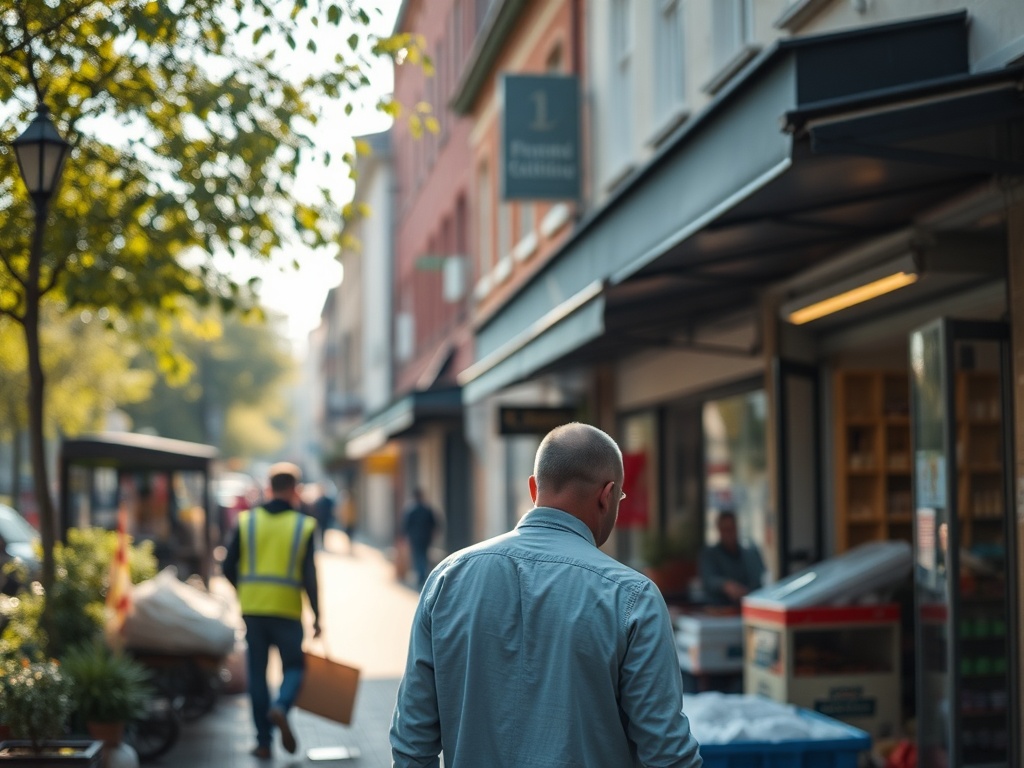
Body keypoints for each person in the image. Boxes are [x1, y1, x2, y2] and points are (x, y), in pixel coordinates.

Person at [390, 423, 703, 768]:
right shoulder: (632, 597)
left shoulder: (447, 578)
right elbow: (668, 755)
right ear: (607, 495)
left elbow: (412, 745)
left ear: (533, 487)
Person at [222, 462, 321, 760]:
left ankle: (263, 743)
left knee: (258, 674)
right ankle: (282, 705)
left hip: (253, 610)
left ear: (268, 488)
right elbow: (310, 576)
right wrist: (318, 615)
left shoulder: (247, 521)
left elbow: (227, 566)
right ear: (295, 490)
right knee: (294, 667)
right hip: (288, 611)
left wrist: (245, 592)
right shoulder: (303, 525)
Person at [698, 510, 765, 606]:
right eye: (725, 529)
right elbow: (708, 580)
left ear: (737, 528)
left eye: (731, 529)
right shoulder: (709, 554)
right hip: (718, 609)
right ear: (719, 530)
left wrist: (743, 591)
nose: (729, 534)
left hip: (747, 607)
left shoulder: (750, 554)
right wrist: (725, 585)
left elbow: (758, 580)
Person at [402, 488, 437, 589]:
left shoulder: (411, 510)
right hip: (425, 537)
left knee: (418, 556)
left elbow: (406, 525)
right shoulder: (427, 509)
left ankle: (421, 576)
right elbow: (435, 524)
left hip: (416, 538)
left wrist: (404, 536)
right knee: (423, 556)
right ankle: (423, 575)